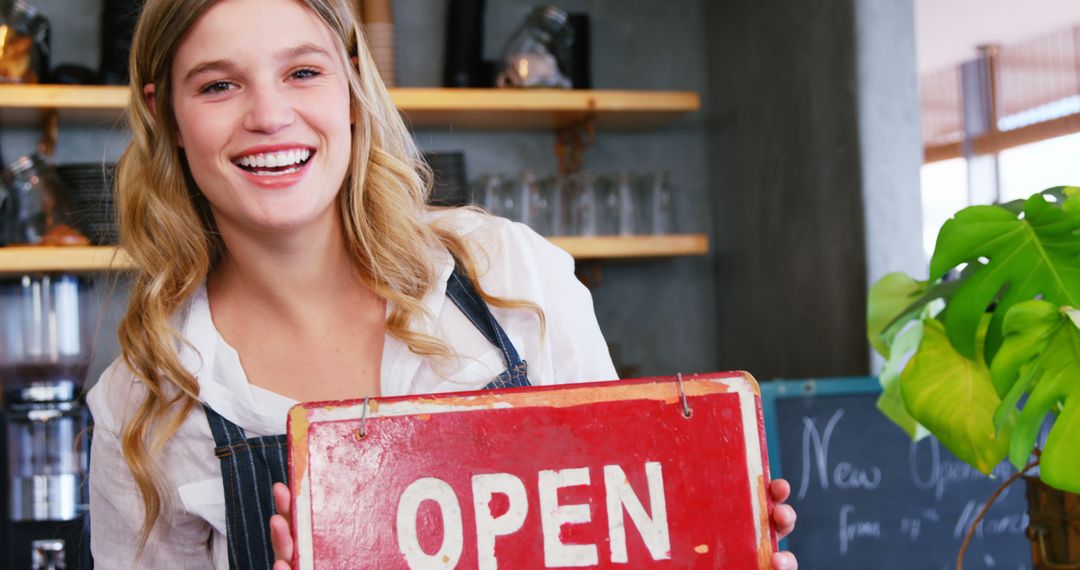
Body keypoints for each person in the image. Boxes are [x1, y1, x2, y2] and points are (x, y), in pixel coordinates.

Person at [86, 0, 798, 568]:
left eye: (303, 72)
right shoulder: (145, 401)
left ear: (354, 86)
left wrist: (721, 545)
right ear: (165, 115)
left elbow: (632, 538)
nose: (269, 115)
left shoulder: (509, 274)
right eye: (218, 84)